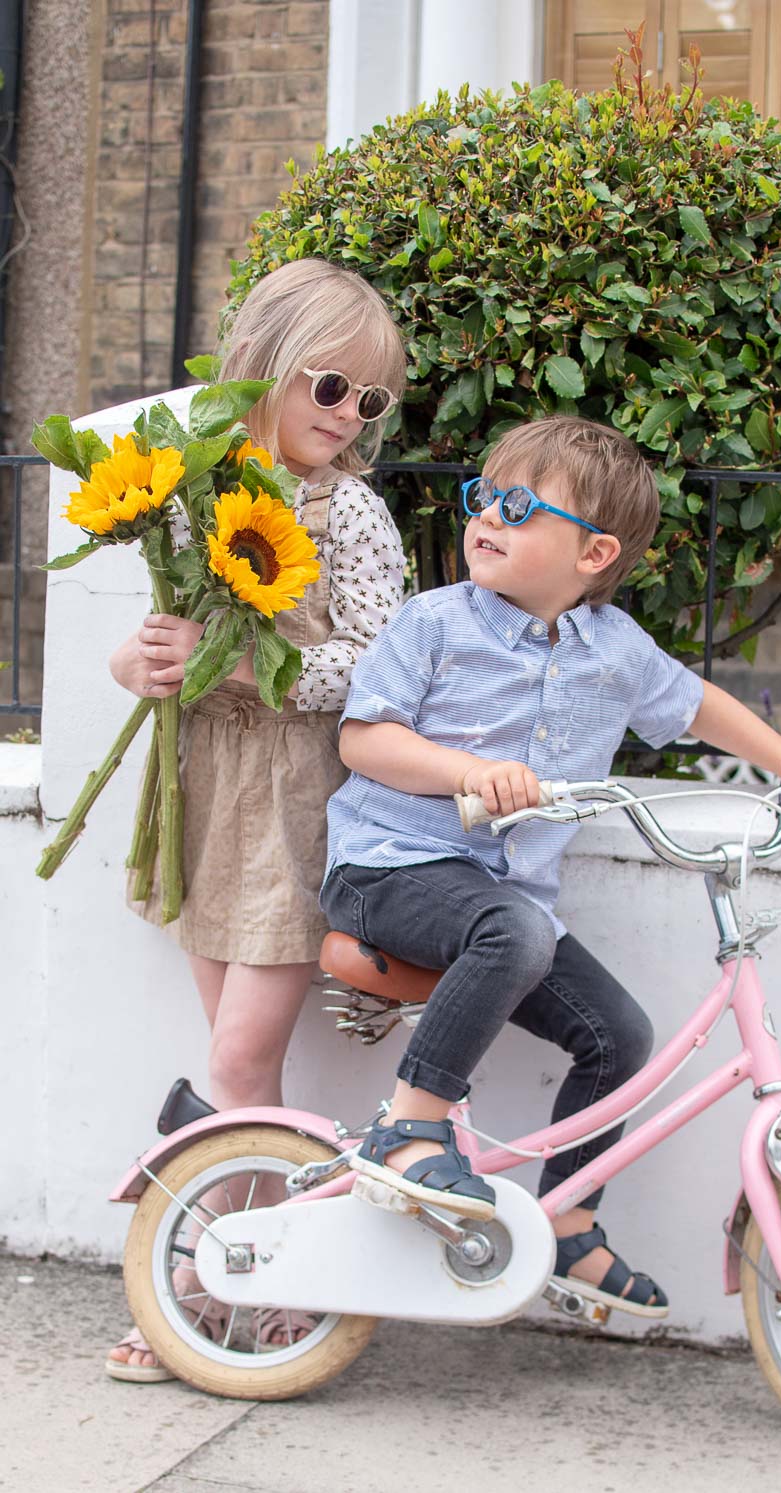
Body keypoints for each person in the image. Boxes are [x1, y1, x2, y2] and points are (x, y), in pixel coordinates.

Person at [320, 414, 781, 1319]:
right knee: (514, 929)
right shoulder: (436, 621)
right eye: (481, 497)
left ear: (595, 551)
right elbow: (365, 738)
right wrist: (469, 771)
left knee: (619, 1037)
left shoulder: (616, 649)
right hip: (389, 869)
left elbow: (695, 707)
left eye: (518, 506)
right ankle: (406, 1126)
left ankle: (566, 1215)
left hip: (505, 903)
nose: (487, 515)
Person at [105, 259, 407, 1379]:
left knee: (236, 1060)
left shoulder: (356, 513)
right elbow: (155, 635)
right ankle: (257, 1264)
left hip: (301, 803)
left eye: (370, 401)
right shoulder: (196, 493)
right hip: (211, 798)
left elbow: (384, 660)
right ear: (264, 367)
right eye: (331, 386)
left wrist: (249, 666)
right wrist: (140, 658)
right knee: (246, 1076)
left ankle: (191, 1280)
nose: (348, 416)